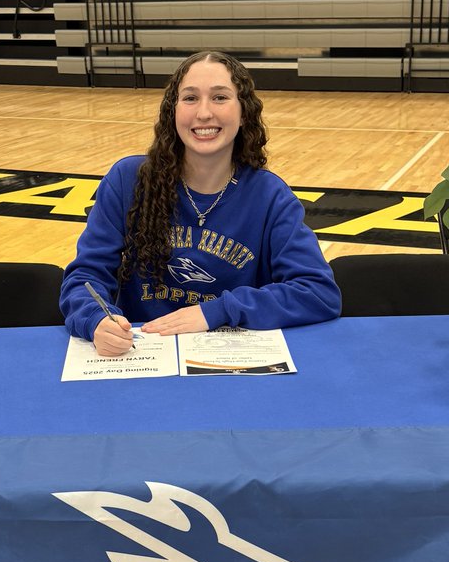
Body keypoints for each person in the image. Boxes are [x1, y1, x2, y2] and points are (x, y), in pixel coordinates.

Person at [60, 51, 342, 355]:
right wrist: (95, 319)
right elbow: (85, 276)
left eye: (220, 98)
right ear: (173, 110)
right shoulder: (127, 180)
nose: (204, 113)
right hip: (141, 353)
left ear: (244, 111)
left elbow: (318, 293)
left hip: (229, 357)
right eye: (190, 98)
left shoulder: (270, 196)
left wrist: (217, 312)